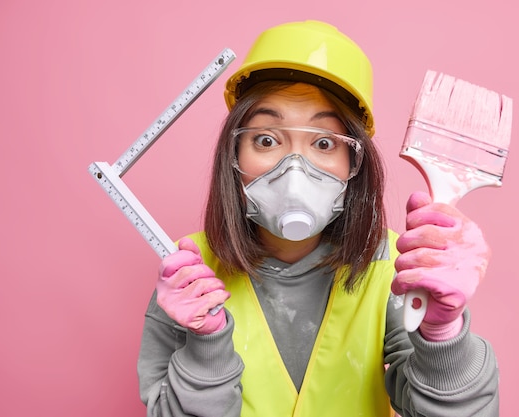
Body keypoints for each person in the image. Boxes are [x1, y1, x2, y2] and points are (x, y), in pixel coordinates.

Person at [137, 20, 499, 417]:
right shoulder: (189, 273)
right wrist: (205, 346)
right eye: (266, 139)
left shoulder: (397, 268)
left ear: (354, 164)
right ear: (233, 155)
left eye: (324, 142)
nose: (295, 170)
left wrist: (443, 335)